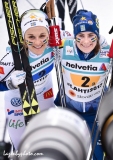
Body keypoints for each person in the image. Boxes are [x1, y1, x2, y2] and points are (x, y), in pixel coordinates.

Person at [1, 8, 73, 150]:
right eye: (31, 37)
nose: (38, 42)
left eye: (42, 35)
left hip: (45, 96)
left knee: (49, 142)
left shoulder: (55, 44)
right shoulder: (12, 59)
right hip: (18, 104)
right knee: (23, 146)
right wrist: (10, 84)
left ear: (48, 33)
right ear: (23, 37)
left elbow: (85, 41)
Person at [54, 9, 111, 160]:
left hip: (96, 111)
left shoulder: (108, 51)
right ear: (75, 36)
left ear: (98, 35)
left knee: (100, 155)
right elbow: (38, 47)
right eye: (80, 36)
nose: (86, 42)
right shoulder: (63, 47)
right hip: (70, 109)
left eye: (91, 36)